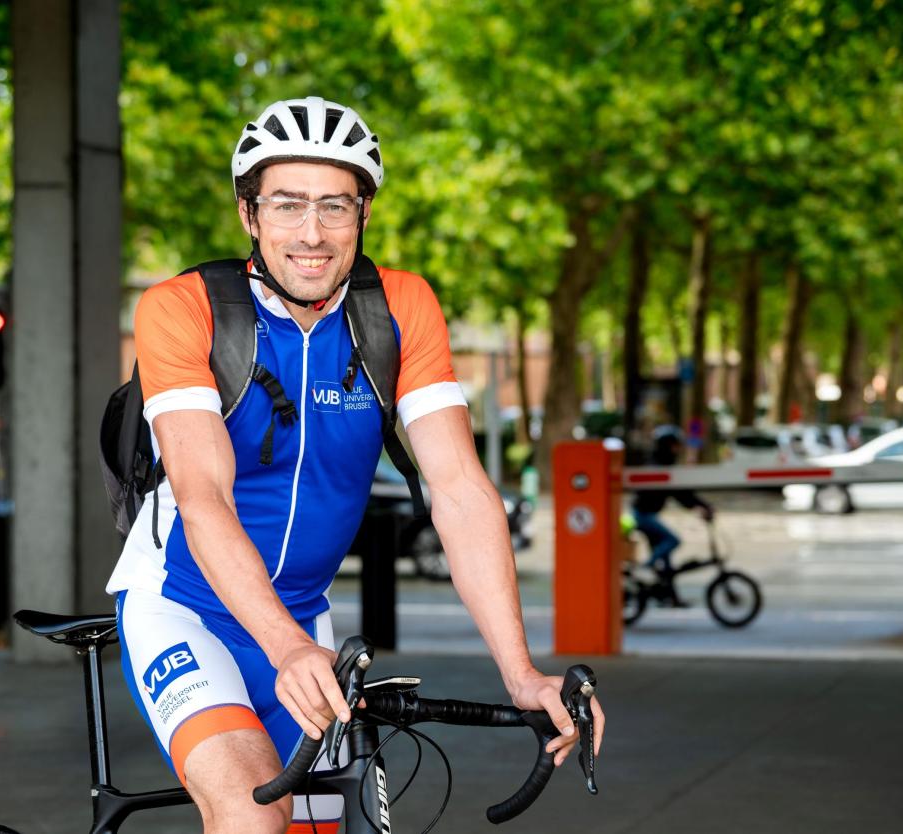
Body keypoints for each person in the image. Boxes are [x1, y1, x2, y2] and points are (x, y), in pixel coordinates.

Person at [104, 96, 603, 834]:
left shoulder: (399, 309)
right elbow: (202, 496)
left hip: (304, 618)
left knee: (319, 827)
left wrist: (521, 670)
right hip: (183, 609)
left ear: (364, 212)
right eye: (287, 204)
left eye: (335, 205)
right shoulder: (185, 309)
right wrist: (287, 649)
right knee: (249, 815)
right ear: (249, 214)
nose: (312, 233)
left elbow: (460, 491)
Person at [631, 428, 714, 607]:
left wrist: (699, 505)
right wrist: (700, 506)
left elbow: (681, 494)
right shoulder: (658, 467)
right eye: (675, 446)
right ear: (667, 446)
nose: (678, 450)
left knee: (667, 564)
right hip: (643, 516)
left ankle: (671, 597)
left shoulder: (661, 465)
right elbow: (680, 494)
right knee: (672, 540)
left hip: (648, 514)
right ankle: (644, 569)